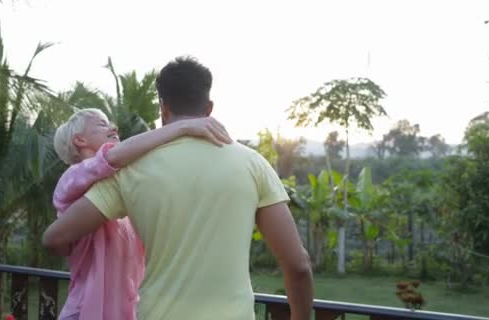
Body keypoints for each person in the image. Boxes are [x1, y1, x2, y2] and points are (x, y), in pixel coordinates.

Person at [43, 57, 314, 320]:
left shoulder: (131, 172)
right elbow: (298, 265)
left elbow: (55, 238)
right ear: (208, 108)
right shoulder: (252, 163)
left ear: (163, 107)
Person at [51, 108, 232, 320]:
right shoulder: (71, 179)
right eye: (101, 124)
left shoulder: (120, 190)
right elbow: (113, 157)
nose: (113, 128)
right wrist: (182, 127)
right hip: (85, 313)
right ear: (80, 140)